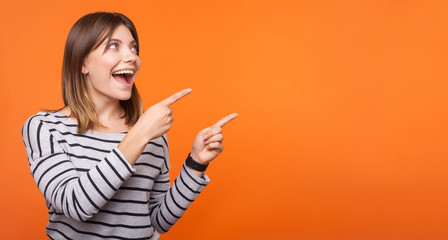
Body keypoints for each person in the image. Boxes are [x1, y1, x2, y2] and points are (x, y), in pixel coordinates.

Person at [22, 12, 237, 239]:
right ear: (82, 62)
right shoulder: (45, 128)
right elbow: (77, 205)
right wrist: (140, 134)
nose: (132, 57)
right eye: (113, 46)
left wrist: (196, 163)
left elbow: (158, 219)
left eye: (133, 48)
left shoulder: (152, 134)